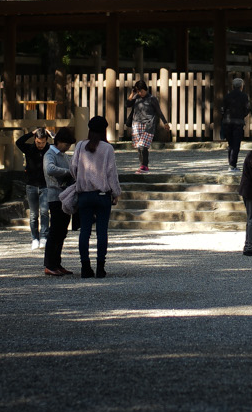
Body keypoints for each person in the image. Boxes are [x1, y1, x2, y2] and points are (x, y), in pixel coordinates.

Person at [73, 115, 121, 278]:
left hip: (84, 194)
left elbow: (73, 168)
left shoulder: (80, 146)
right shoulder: (107, 148)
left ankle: (85, 267)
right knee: (102, 231)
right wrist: (116, 193)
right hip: (102, 195)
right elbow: (111, 174)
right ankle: (100, 267)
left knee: (84, 231)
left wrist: (81, 180)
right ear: (104, 131)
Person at [42, 127, 76, 277]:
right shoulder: (50, 153)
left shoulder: (65, 156)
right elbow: (49, 169)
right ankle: (49, 264)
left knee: (62, 231)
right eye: (67, 144)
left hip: (66, 196)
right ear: (60, 142)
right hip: (55, 196)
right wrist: (68, 172)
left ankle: (57, 262)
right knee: (55, 231)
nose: (68, 147)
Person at [15, 127, 52, 250]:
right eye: (38, 142)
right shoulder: (29, 149)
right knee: (33, 214)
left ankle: (44, 237)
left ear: (46, 140)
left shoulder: (50, 149)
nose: (40, 145)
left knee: (44, 212)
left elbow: (61, 144)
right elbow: (18, 142)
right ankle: (34, 238)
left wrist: (51, 134)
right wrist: (32, 133)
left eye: (43, 142)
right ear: (35, 139)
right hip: (31, 185)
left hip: (45, 185)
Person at [127, 79, 164, 173]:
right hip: (136, 124)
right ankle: (142, 165)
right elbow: (128, 104)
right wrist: (133, 93)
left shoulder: (152, 99)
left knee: (143, 145)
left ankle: (145, 165)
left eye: (141, 91)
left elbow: (159, 111)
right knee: (138, 147)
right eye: (138, 91)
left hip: (148, 125)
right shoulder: (136, 97)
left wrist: (165, 122)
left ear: (145, 89)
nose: (140, 93)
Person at [221, 76, 251, 170]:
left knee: (230, 144)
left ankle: (231, 164)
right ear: (241, 86)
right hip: (238, 122)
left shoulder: (227, 96)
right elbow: (247, 109)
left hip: (228, 122)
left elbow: (222, 109)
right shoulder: (244, 96)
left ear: (233, 86)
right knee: (236, 144)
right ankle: (233, 165)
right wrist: (242, 115)